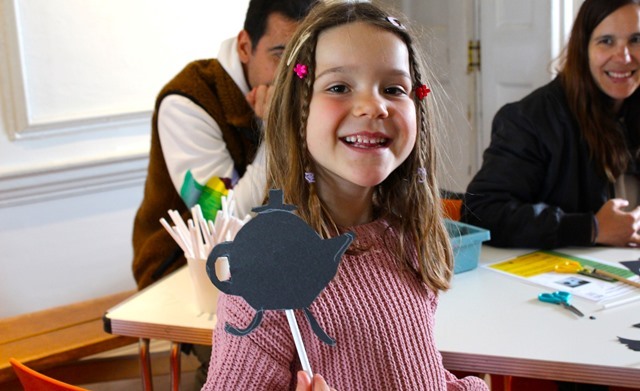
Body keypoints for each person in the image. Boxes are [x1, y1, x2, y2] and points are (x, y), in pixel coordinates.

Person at [202, 2, 489, 390]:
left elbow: (414, 379)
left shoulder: (406, 237)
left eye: (393, 88)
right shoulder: (263, 281)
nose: (373, 106)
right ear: (297, 111)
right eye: (338, 87)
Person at [131, 1, 317, 389]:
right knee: (240, 359)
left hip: (274, 264)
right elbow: (220, 218)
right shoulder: (187, 101)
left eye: (305, 60)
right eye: (281, 56)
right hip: (186, 272)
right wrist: (277, 135)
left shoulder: (311, 87)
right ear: (245, 46)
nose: (294, 76)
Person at [463, 0, 640, 250]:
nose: (624, 56)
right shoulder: (529, 119)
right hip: (567, 276)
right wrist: (590, 228)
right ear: (583, 48)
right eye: (607, 41)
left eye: (636, 39)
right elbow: (481, 212)